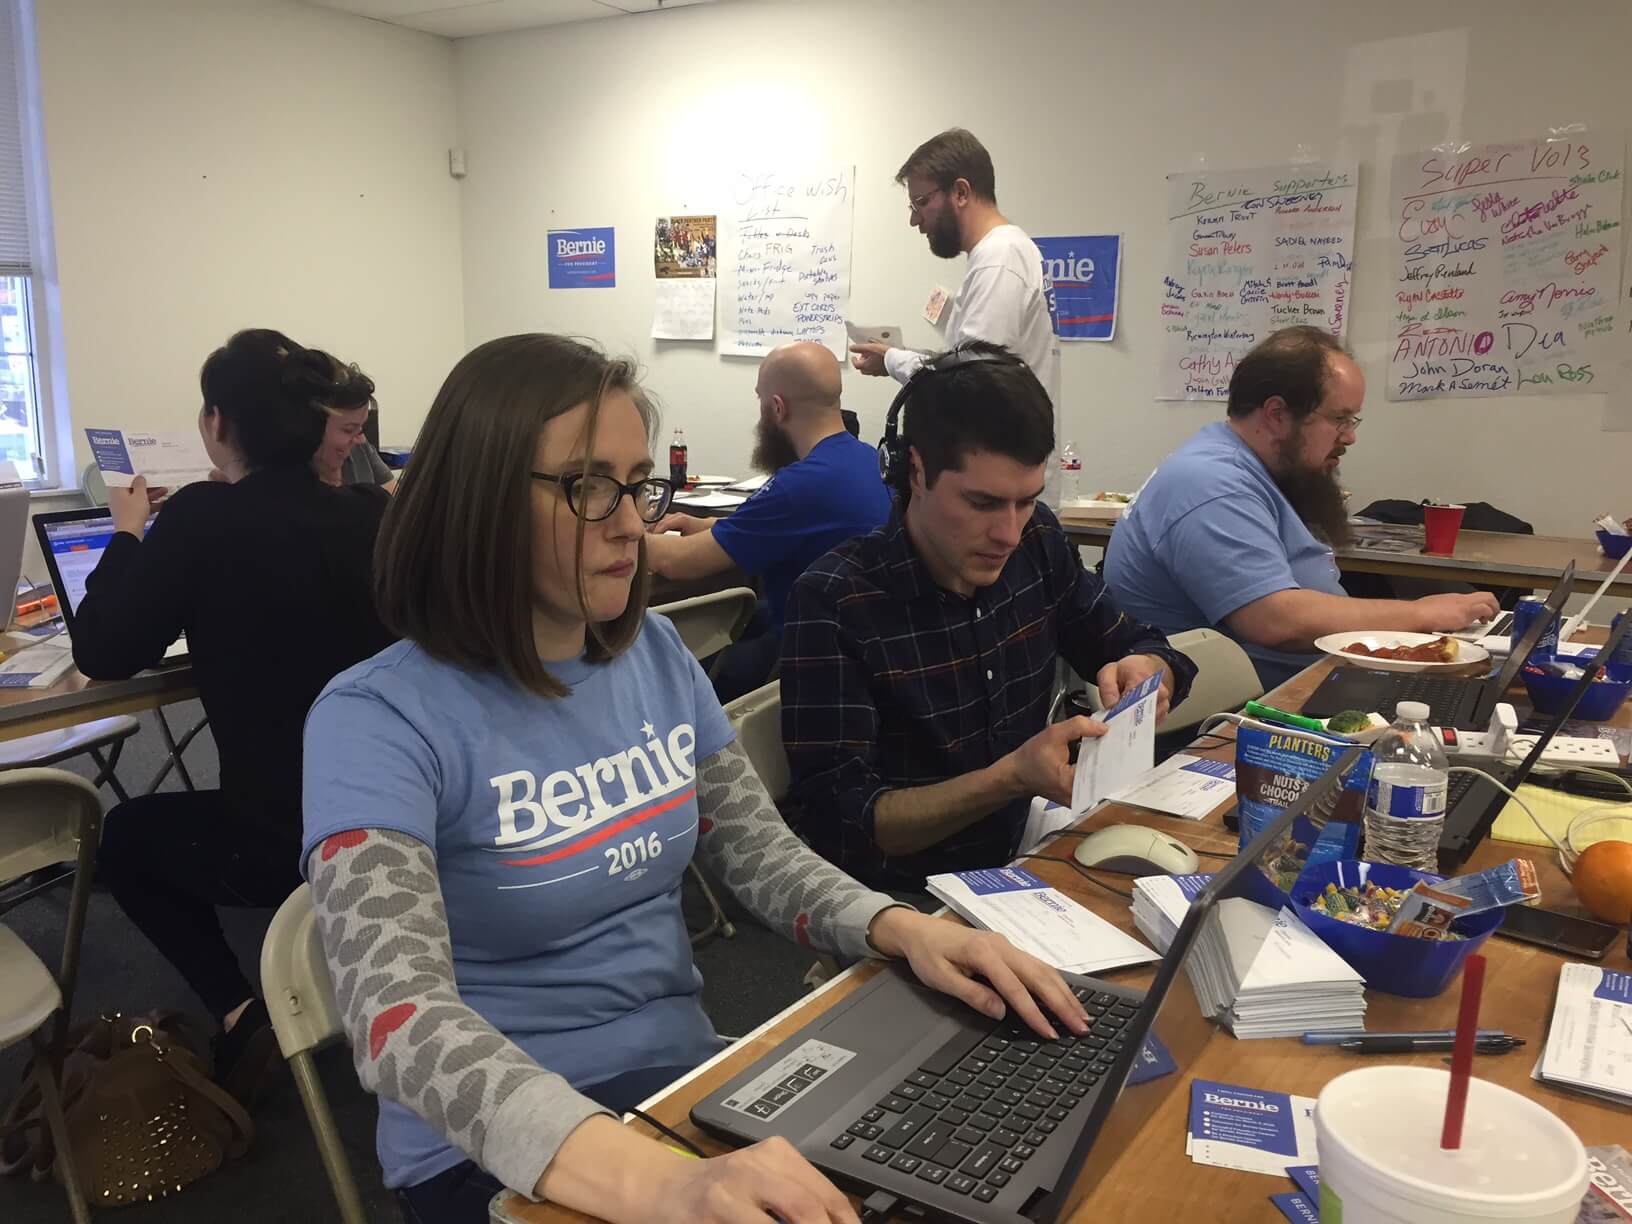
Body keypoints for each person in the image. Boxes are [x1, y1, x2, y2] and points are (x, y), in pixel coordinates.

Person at [299, 334, 1092, 1224]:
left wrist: (903, 929)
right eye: (589, 485)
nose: (633, 524)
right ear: (476, 499)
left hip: (681, 1087)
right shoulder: (374, 719)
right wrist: (657, 1181)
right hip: (499, 1152)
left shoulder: (656, 655)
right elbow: (396, 1018)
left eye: (636, 485)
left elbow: (758, 855)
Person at [71, 328, 396, 1101]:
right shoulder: (369, 513)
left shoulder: (202, 517)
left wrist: (124, 532)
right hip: (396, 818)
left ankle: (242, 1009)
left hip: (281, 843)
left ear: (218, 423)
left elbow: (106, 650)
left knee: (121, 837)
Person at [780, 343, 1195, 892]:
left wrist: (1149, 668)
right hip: (916, 900)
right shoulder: (837, 601)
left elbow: (1143, 645)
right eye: (982, 504)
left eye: (1025, 501)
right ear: (915, 471)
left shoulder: (1037, 540)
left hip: (1035, 857)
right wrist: (1009, 779)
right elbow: (845, 824)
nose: (1008, 532)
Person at [1102, 326, 1499, 691]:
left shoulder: (1249, 468)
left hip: (1310, 686)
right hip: (1242, 719)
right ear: (1277, 414)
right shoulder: (1210, 485)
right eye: (1339, 419)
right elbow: (1277, 621)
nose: (1350, 436)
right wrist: (1422, 615)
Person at [646, 342, 891, 700]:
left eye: (761, 400)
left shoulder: (802, 484)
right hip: (859, 645)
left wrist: (614, 532)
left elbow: (679, 562)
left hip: (808, 657)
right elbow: (781, 529)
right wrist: (705, 525)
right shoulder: (868, 461)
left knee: (670, 673)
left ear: (777, 407)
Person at [848, 128, 1061, 491]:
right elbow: (973, 361)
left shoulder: (999, 260)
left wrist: (893, 361)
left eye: (920, 202)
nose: (915, 220)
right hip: (1001, 480)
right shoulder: (1000, 254)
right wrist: (897, 358)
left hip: (996, 489)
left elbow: (970, 384)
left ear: (960, 192)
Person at [309, 356, 398, 492]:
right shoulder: (285, 476)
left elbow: (397, 500)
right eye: (348, 430)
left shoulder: (360, 449)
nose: (361, 439)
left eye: (361, 428)